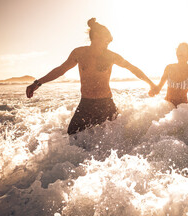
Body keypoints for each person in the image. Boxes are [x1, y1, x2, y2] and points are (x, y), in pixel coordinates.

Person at [26, 18, 157, 135]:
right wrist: (37, 83)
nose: (107, 45)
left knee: (115, 139)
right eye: (106, 41)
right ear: (95, 36)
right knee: (72, 136)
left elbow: (133, 68)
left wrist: (151, 84)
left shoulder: (111, 56)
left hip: (106, 104)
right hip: (86, 104)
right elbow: (61, 70)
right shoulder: (79, 53)